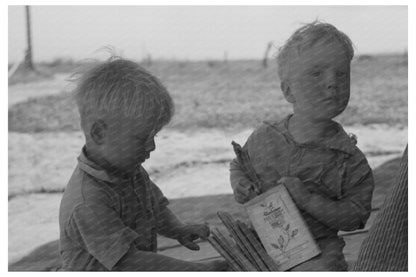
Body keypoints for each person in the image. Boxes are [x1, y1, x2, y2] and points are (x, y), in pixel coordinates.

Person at [230, 21, 375, 271]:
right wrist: (241, 185)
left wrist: (308, 200)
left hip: (318, 250)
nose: (333, 82)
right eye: (316, 73)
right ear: (288, 91)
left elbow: (356, 217)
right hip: (262, 242)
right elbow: (239, 164)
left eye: (341, 73)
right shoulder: (266, 136)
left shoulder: (349, 159)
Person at [59, 57, 227, 271]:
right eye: (140, 139)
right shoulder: (87, 202)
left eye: (154, 135)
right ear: (99, 133)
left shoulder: (131, 171)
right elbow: (129, 262)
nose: (152, 147)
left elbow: (154, 208)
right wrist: (195, 270)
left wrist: (178, 229)